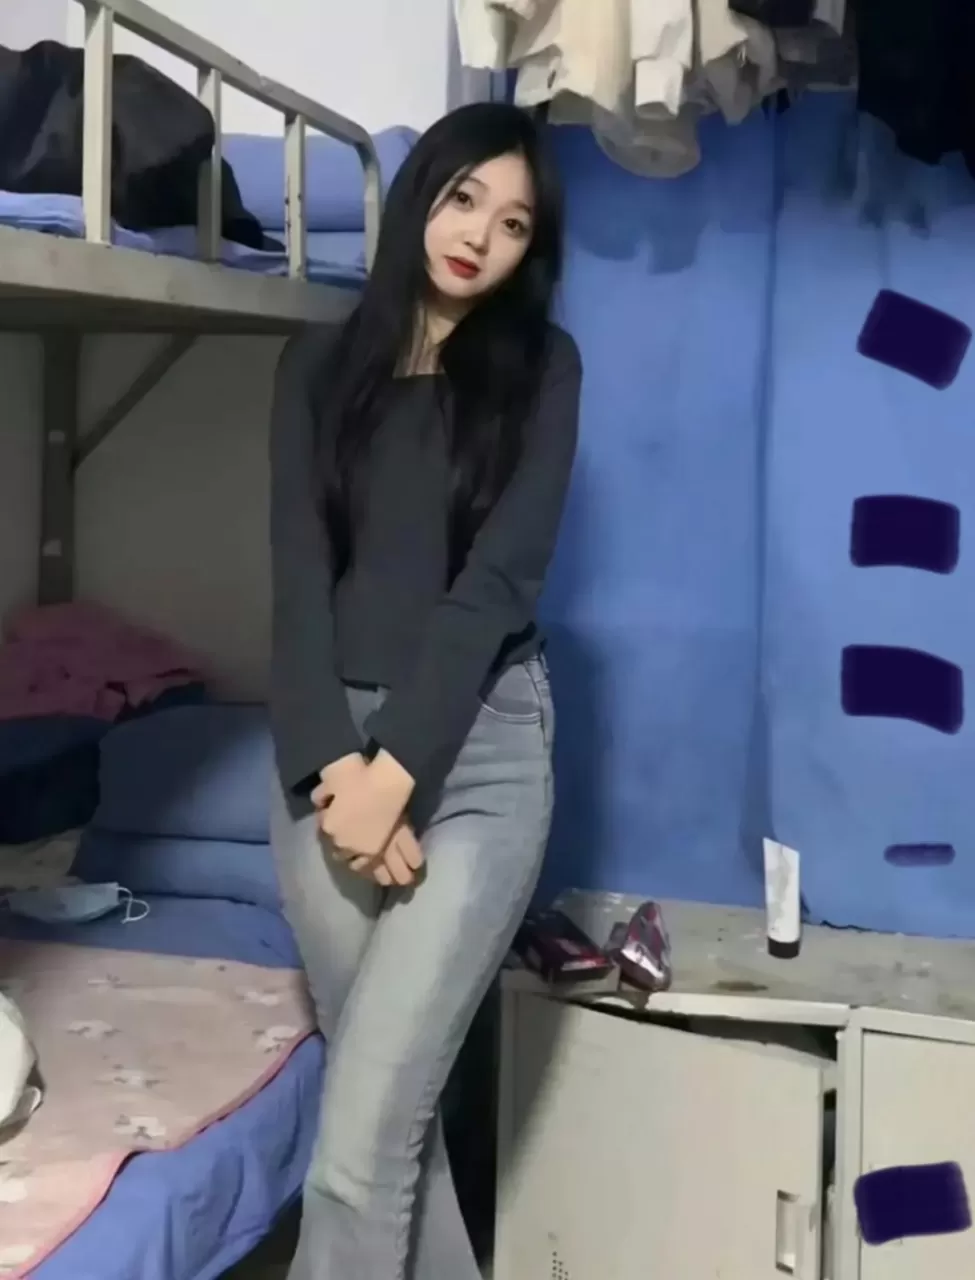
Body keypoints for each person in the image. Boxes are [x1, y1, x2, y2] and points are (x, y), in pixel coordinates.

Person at [268, 100, 582, 1280]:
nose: (478, 237)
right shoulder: (314, 365)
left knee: (354, 1153)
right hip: (327, 753)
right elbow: (298, 579)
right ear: (420, 198)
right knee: (389, 1118)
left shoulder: (542, 368)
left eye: (513, 223)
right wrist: (334, 766)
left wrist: (396, 768)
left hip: (479, 745)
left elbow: (500, 578)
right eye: (463, 199)